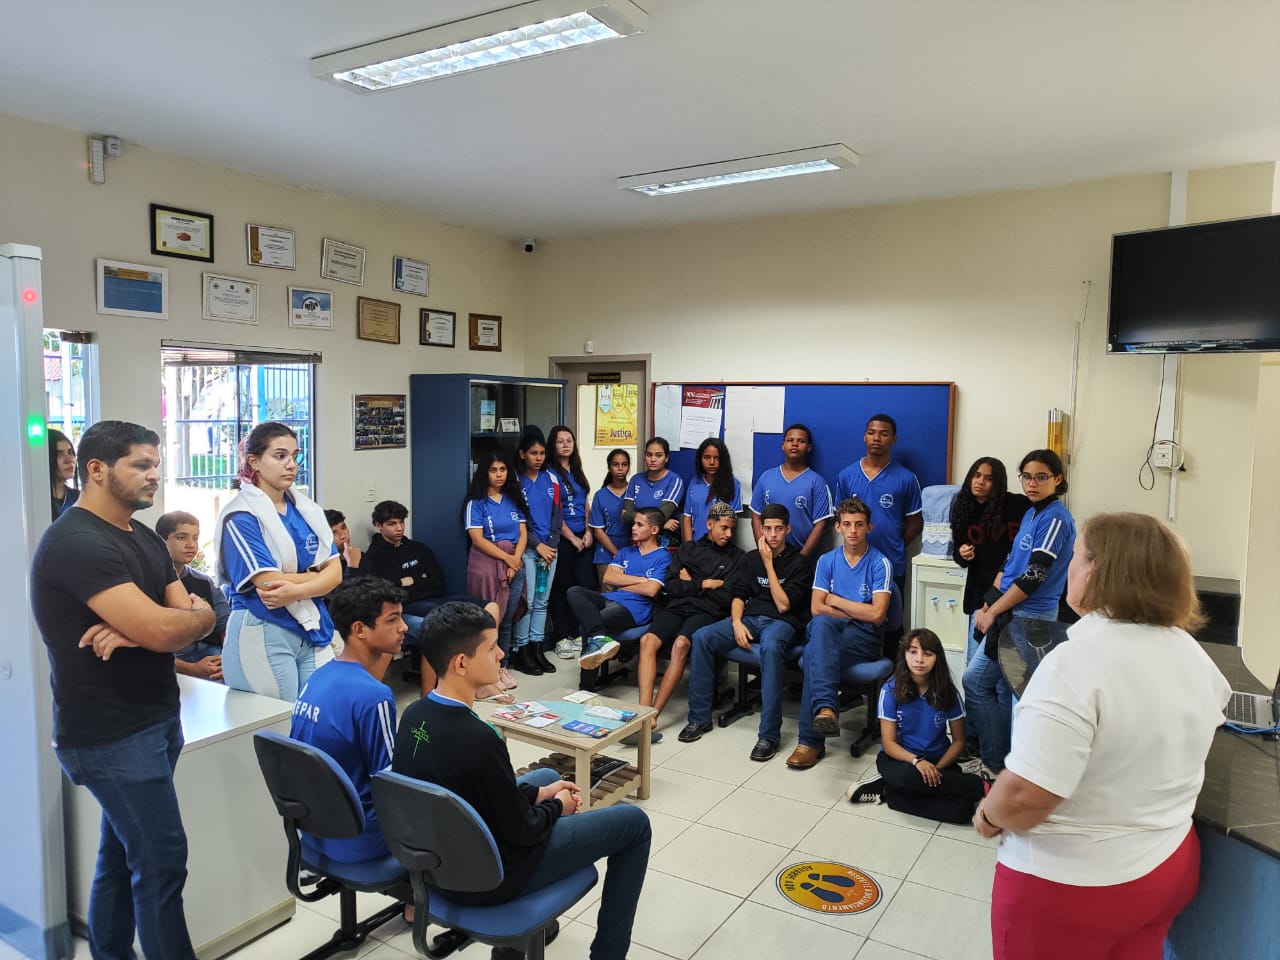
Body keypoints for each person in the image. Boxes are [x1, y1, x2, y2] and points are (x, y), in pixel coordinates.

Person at [973, 513, 1231, 959]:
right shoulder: (1193, 655)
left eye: (1075, 557)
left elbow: (1026, 796)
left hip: (1073, 888)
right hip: (1166, 867)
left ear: (1095, 570)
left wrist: (989, 816)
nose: (1069, 568)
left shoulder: (1074, 666)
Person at [30, 420, 216, 960]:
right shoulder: (77, 542)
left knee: (122, 855)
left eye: (156, 464)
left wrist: (159, 627)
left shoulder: (145, 539)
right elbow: (165, 629)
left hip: (156, 719)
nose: (154, 475)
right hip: (109, 734)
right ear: (97, 470)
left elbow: (192, 616)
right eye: (141, 464)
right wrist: (157, 628)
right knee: (162, 859)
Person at [393, 602, 651, 960]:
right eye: (491, 648)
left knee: (544, 776)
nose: (501, 654)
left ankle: (518, 946)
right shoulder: (480, 739)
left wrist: (540, 792)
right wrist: (556, 806)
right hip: (491, 876)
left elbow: (468, 792)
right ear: (462, 663)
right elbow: (522, 832)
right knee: (635, 824)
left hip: (436, 867)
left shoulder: (414, 715)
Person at [963, 449, 1075, 774]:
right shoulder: (1031, 514)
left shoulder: (1056, 517)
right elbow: (1011, 565)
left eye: (1041, 477)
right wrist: (989, 603)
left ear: (1058, 479)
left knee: (1019, 701)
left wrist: (992, 610)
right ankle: (997, 763)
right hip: (1009, 615)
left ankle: (1016, 771)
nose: (1032, 483)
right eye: (1027, 476)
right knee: (976, 681)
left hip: (1031, 622)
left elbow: (1035, 576)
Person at [215, 421, 342, 701]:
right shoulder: (241, 515)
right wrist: (315, 578)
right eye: (280, 456)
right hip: (263, 623)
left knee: (314, 713)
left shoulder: (306, 511)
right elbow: (268, 583)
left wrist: (298, 589)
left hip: (310, 622)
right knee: (277, 720)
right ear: (254, 461)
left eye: (295, 456)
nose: (291, 465)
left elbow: (336, 572)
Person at [681, 503, 814, 762]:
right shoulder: (750, 559)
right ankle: (699, 718)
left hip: (782, 622)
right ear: (761, 529)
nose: (772, 535)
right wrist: (736, 622)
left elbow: (784, 604)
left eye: (778, 529)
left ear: (787, 529)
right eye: (767, 529)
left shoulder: (799, 563)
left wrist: (769, 563)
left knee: (771, 647)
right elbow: (739, 595)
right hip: (750, 618)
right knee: (702, 637)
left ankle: (769, 735)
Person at [290, 577, 408, 863]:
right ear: (360, 630)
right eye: (392, 620)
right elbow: (390, 782)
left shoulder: (317, 677)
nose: (404, 627)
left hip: (315, 832)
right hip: (362, 839)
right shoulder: (375, 696)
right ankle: (414, 905)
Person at [787, 496, 893, 769]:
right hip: (830, 629)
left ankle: (810, 740)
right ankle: (826, 709)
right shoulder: (826, 561)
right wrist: (857, 609)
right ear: (838, 527)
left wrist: (836, 601)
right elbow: (816, 610)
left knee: (813, 652)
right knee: (820, 628)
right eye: (847, 524)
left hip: (865, 637)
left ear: (869, 527)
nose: (853, 530)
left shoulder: (880, 563)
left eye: (859, 524)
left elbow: (877, 615)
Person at [846, 629, 985, 823]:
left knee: (961, 811)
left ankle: (887, 791)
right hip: (901, 761)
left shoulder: (948, 692)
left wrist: (936, 769)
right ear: (904, 654)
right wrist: (918, 762)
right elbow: (889, 743)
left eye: (927, 653)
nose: (919, 659)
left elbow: (959, 741)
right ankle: (983, 786)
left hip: (940, 760)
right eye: (913, 652)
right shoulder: (890, 690)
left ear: (937, 658)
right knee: (910, 779)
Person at [637, 502, 743, 736]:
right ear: (709, 525)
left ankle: (653, 715)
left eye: (732, 529)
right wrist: (704, 583)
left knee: (681, 644)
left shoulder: (737, 557)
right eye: (724, 528)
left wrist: (691, 581)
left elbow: (726, 597)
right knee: (647, 641)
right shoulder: (688, 549)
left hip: (707, 612)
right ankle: (641, 713)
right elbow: (670, 587)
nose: (729, 534)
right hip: (678, 607)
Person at [568, 508, 672, 680]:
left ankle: (586, 688)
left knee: (588, 626)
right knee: (574, 591)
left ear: (654, 530)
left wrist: (624, 581)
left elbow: (652, 590)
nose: (633, 528)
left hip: (634, 609)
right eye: (634, 524)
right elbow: (608, 578)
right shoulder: (626, 551)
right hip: (611, 598)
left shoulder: (663, 557)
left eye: (640, 524)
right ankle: (599, 638)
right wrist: (641, 579)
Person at [462, 449, 530, 702]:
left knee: (508, 618)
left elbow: (523, 533)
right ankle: (484, 674)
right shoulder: (476, 503)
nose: (499, 475)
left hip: (514, 562)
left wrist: (515, 560)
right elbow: (477, 538)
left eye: (503, 470)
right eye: (494, 470)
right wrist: (507, 559)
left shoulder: (514, 498)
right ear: (485, 473)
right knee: (487, 621)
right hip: (487, 564)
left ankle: (502, 667)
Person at [948, 457, 1029, 663]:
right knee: (975, 660)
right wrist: (961, 553)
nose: (980, 482)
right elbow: (957, 554)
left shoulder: (1016, 505)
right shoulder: (962, 507)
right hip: (979, 595)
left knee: (1008, 667)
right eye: (976, 475)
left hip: (1013, 593)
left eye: (988, 478)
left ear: (998, 483)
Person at [834, 414, 923, 599]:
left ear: (894, 439)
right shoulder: (846, 476)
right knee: (852, 617)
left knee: (890, 621)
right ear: (864, 436)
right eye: (871, 433)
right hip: (854, 561)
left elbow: (915, 523)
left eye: (883, 434)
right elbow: (839, 517)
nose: (876, 438)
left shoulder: (906, 478)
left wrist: (897, 544)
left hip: (891, 561)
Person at [157, 510, 231, 681]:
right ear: (160, 541)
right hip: (168, 660)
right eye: (182, 537)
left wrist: (227, 658)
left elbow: (224, 624)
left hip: (209, 653)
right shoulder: (147, 581)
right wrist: (191, 669)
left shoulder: (204, 581)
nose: (191, 545)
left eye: (195, 538)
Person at [512, 427, 562, 675]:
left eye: (542, 453)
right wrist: (538, 546)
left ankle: (536, 647)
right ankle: (522, 651)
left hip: (549, 551)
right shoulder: (514, 481)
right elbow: (518, 521)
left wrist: (551, 545)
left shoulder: (552, 479)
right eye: (533, 453)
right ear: (522, 454)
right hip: (528, 550)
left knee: (543, 601)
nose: (539, 458)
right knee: (528, 602)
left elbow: (557, 515)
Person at [546, 425, 596, 660]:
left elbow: (584, 502)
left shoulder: (577, 470)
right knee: (562, 588)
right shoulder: (550, 473)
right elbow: (555, 511)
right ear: (552, 445)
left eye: (569, 440)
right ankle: (561, 636)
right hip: (563, 539)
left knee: (583, 585)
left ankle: (578, 633)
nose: (566, 444)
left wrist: (587, 530)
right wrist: (572, 538)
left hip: (583, 537)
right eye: (560, 441)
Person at [749, 424, 832, 557]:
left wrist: (801, 559)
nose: (795, 444)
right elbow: (756, 517)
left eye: (801, 441)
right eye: (790, 440)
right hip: (770, 555)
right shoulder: (766, 477)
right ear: (783, 445)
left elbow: (821, 525)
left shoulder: (817, 482)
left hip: (801, 556)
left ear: (809, 448)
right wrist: (763, 550)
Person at [622, 437, 685, 550]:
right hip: (637, 542)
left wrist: (657, 520)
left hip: (664, 544)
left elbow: (661, 516)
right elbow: (625, 515)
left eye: (658, 455)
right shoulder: (635, 480)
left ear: (666, 458)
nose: (653, 459)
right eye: (649, 455)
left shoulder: (674, 480)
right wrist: (662, 524)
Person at [681, 438, 742, 544]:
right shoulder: (694, 482)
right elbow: (687, 517)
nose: (712, 462)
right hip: (696, 546)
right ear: (700, 459)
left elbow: (733, 521)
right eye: (707, 457)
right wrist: (688, 546)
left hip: (720, 548)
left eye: (717, 458)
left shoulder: (733, 484)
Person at [587, 448, 632, 585]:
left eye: (624, 464)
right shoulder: (600, 495)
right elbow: (598, 531)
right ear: (609, 467)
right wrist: (616, 553)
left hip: (631, 549)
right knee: (608, 595)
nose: (620, 469)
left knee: (629, 593)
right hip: (605, 552)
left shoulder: (634, 492)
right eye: (615, 464)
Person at [324, 507, 364, 580]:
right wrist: (352, 566)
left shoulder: (361, 556)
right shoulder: (323, 566)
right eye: (334, 533)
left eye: (343, 528)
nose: (343, 536)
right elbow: (345, 591)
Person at [48, 427, 80, 519]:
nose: (69, 460)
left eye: (70, 452)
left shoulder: (79, 498)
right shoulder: (35, 500)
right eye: (59, 454)